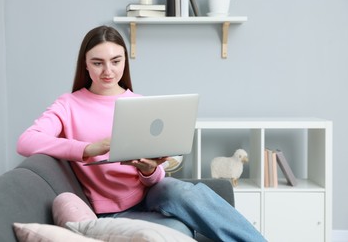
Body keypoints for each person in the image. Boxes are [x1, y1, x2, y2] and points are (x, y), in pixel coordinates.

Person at [17, 25, 266, 242]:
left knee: (186, 191)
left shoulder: (138, 103)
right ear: (85, 63)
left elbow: (154, 177)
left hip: (151, 194)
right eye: (97, 62)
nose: (108, 71)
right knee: (177, 233)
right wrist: (86, 149)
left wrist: (148, 170)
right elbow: (26, 141)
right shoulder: (68, 105)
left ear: (125, 61)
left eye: (116, 61)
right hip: (110, 212)